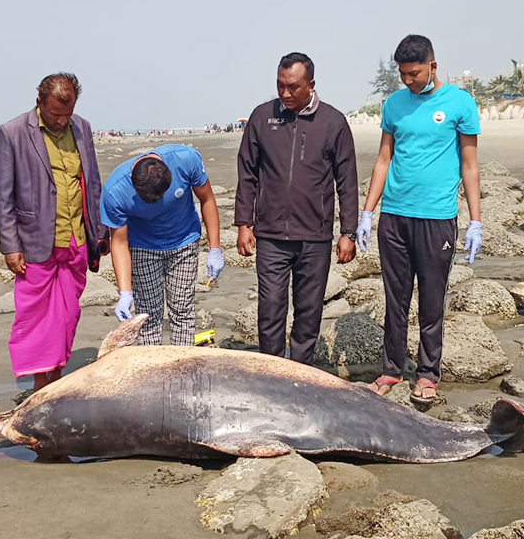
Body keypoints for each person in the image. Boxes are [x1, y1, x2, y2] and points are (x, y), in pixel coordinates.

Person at [356, 34, 482, 402]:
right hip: (394, 217)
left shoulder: (460, 103)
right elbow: (383, 159)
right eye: (403, 74)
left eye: (414, 73)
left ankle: (427, 373)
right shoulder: (394, 105)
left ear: (433, 66)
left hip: (436, 217)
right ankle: (391, 369)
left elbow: (470, 166)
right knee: (395, 298)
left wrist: (476, 220)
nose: (408, 80)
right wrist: (368, 212)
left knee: (431, 299)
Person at [234, 52, 359, 365]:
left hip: (314, 236)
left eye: (293, 87)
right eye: (280, 86)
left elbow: (347, 180)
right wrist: (243, 223)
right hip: (271, 234)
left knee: (309, 308)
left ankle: (301, 370)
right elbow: (247, 171)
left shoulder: (333, 122)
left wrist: (348, 231)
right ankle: (272, 369)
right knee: (271, 305)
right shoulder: (262, 118)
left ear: (311, 85)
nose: (285, 94)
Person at [0, 72, 109, 391]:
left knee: (68, 315)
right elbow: (3, 196)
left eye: (67, 115)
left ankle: (55, 379)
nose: (62, 122)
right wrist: (10, 246)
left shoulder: (82, 128)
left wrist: (100, 231)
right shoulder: (12, 133)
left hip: (76, 238)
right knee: (36, 317)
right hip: (35, 241)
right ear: (40, 104)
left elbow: (93, 181)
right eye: (56, 115)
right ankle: (41, 386)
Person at [100, 144, 223, 345]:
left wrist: (215, 248)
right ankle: (152, 367)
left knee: (183, 310)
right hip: (143, 247)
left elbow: (207, 198)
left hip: (184, 242)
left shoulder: (185, 160)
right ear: (133, 182)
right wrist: (125, 291)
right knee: (148, 315)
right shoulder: (115, 192)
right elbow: (119, 243)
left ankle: (182, 366)